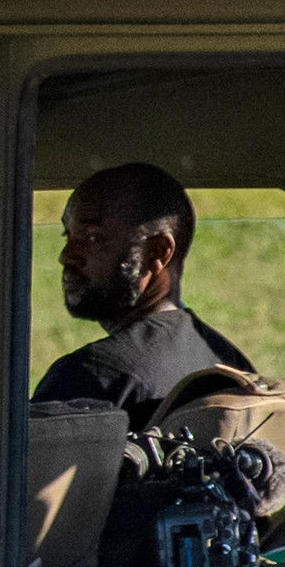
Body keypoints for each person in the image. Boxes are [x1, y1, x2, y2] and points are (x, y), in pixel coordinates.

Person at [33, 162, 254, 413]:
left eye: (93, 238)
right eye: (67, 235)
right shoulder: (230, 362)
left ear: (157, 251)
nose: (66, 256)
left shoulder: (90, 376)